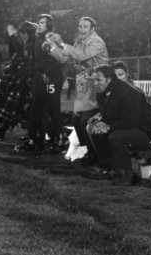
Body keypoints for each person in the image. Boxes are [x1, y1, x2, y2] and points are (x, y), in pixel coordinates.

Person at [47, 16, 109, 165]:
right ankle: (87, 152)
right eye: (80, 26)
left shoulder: (97, 42)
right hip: (85, 82)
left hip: (96, 82)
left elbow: (82, 55)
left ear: (92, 29)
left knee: (84, 121)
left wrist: (62, 42)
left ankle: (96, 155)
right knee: (76, 120)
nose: (81, 29)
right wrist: (52, 45)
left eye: (85, 27)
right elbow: (64, 59)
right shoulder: (79, 42)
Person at [86, 65, 151, 186]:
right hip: (127, 125)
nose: (95, 83)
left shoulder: (125, 92)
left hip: (143, 129)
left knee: (116, 136)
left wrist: (109, 126)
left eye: (98, 80)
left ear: (109, 80)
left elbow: (131, 121)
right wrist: (101, 123)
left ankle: (127, 174)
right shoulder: (102, 92)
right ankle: (108, 167)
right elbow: (110, 115)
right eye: (94, 80)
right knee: (95, 129)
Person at [18, 14, 65, 152]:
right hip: (40, 78)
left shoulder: (52, 39)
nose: (39, 24)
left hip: (52, 80)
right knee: (35, 110)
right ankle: (33, 140)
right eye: (38, 22)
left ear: (49, 26)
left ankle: (58, 141)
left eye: (42, 23)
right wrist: (21, 74)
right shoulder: (37, 40)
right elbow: (34, 64)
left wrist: (47, 74)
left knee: (54, 111)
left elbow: (58, 60)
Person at [0, 21, 36, 140]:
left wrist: (12, 35)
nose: (22, 35)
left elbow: (23, 57)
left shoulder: (33, 45)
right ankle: (6, 131)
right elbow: (14, 51)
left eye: (25, 33)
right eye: (21, 33)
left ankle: (35, 136)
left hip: (26, 79)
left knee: (20, 107)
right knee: (15, 107)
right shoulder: (26, 44)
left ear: (30, 34)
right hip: (20, 78)